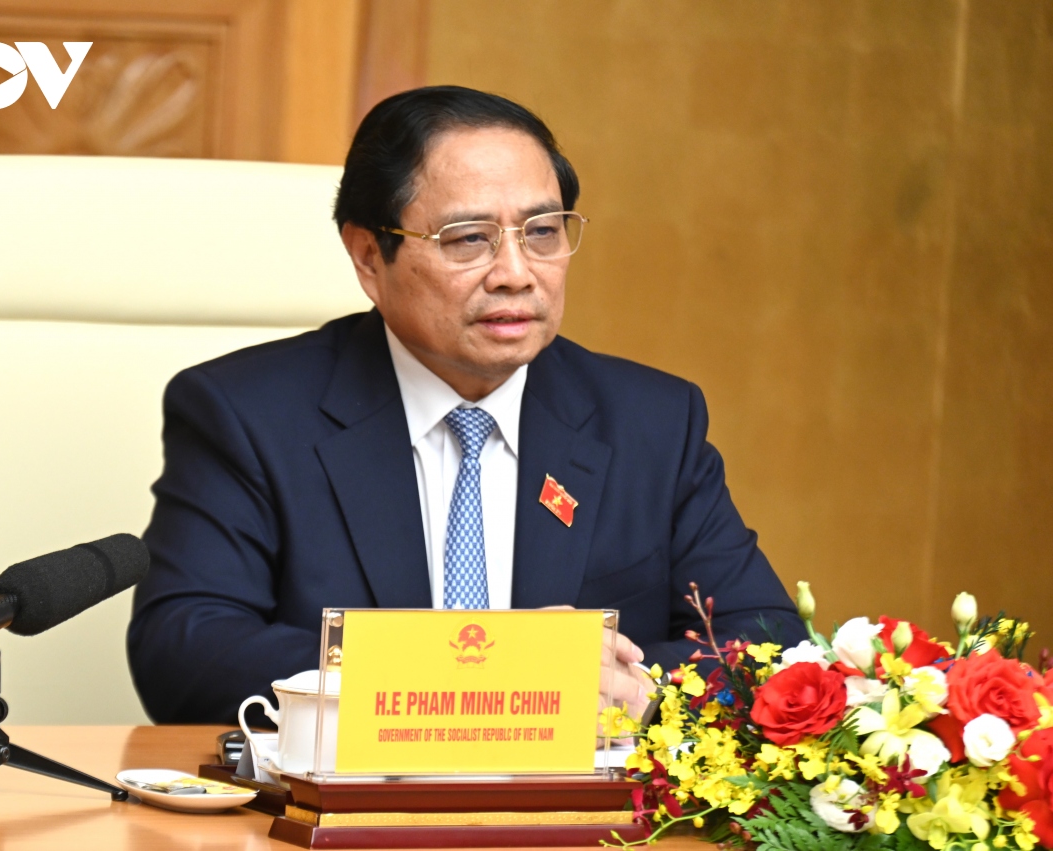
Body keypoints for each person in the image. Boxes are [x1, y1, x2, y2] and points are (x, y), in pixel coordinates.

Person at [127, 86, 805, 726]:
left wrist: (634, 686)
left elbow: (768, 642)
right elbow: (184, 649)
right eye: (469, 238)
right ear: (369, 256)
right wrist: (473, 672)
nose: (516, 273)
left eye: (543, 232)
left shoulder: (650, 421)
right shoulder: (247, 414)